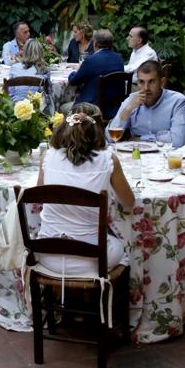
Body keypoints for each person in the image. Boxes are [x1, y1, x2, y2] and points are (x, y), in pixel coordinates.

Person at [34, 102, 136, 278]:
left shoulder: (48, 156)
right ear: (98, 129)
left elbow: (38, 194)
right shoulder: (108, 160)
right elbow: (129, 202)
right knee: (125, 246)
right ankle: (117, 303)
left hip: (48, 254)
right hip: (94, 259)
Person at [107, 60, 185, 147]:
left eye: (151, 82)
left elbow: (177, 141)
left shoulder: (177, 102)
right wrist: (127, 110)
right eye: (141, 82)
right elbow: (109, 138)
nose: (146, 88)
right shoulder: (131, 100)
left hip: (165, 157)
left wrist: (141, 139)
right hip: (135, 156)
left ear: (162, 82)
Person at [67, 28, 126, 120]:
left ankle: (72, 133)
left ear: (95, 43)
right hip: (114, 108)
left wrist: (73, 72)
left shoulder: (91, 60)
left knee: (63, 108)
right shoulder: (119, 59)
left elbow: (74, 81)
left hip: (91, 109)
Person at [7, 39, 50, 104]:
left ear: (25, 51)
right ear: (41, 52)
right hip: (38, 109)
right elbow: (47, 93)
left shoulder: (14, 68)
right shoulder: (44, 70)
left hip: (17, 107)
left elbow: (10, 93)